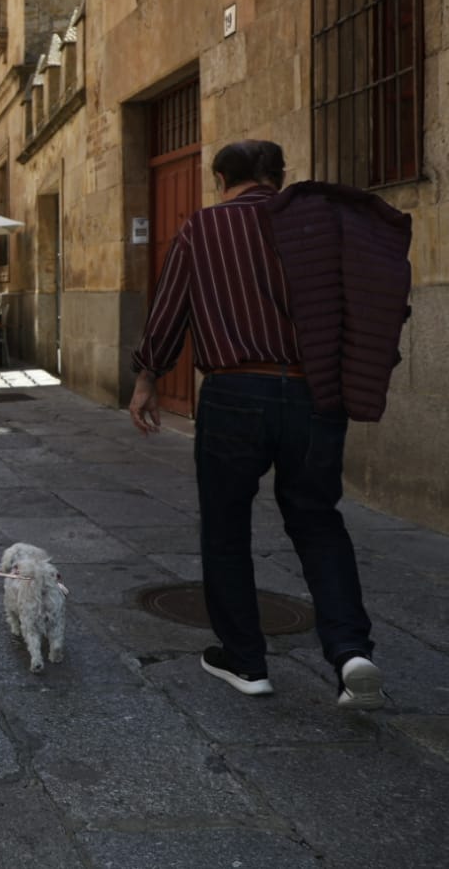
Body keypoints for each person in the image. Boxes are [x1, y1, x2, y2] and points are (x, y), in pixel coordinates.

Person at [129, 139, 387, 709]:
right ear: (280, 175)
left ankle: (245, 661)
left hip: (235, 392)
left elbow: (171, 309)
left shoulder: (202, 229)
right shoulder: (317, 228)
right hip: (316, 392)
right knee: (318, 522)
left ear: (220, 177)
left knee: (225, 529)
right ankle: (350, 652)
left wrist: (147, 376)